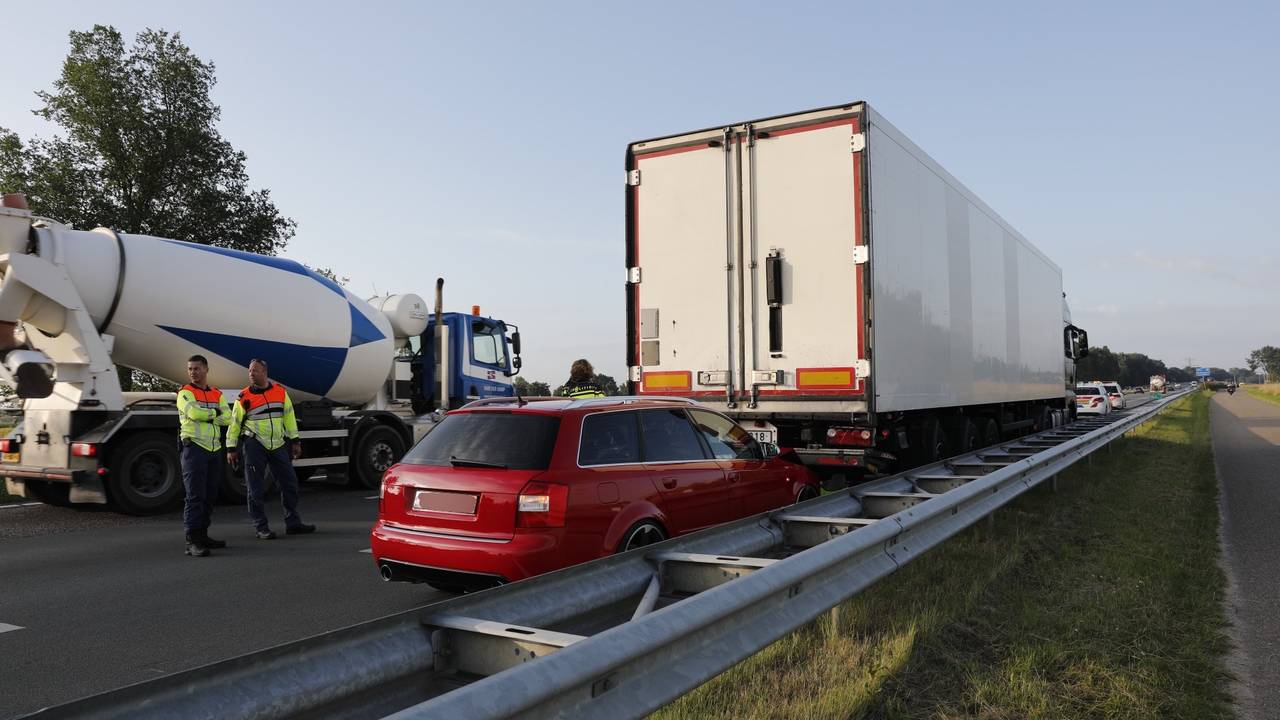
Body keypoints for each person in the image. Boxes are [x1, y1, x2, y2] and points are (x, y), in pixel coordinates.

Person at [226, 359, 316, 539]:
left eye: (255, 371)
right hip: (254, 445)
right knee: (255, 488)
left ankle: (293, 523)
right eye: (250, 371)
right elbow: (234, 424)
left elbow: (289, 417)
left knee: (289, 483)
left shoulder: (280, 392)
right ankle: (261, 527)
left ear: (265, 372)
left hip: (278, 444)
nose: (251, 374)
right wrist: (231, 448)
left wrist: (295, 440)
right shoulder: (243, 397)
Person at [177, 354, 232, 557]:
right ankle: (192, 541)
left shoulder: (217, 393)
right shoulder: (185, 392)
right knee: (194, 496)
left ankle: (203, 535)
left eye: (197, 368)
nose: (193, 372)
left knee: (210, 495)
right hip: (194, 449)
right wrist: (215, 414)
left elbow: (228, 418)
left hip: (214, 449)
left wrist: (211, 415)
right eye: (190, 369)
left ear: (206, 369)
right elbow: (194, 414)